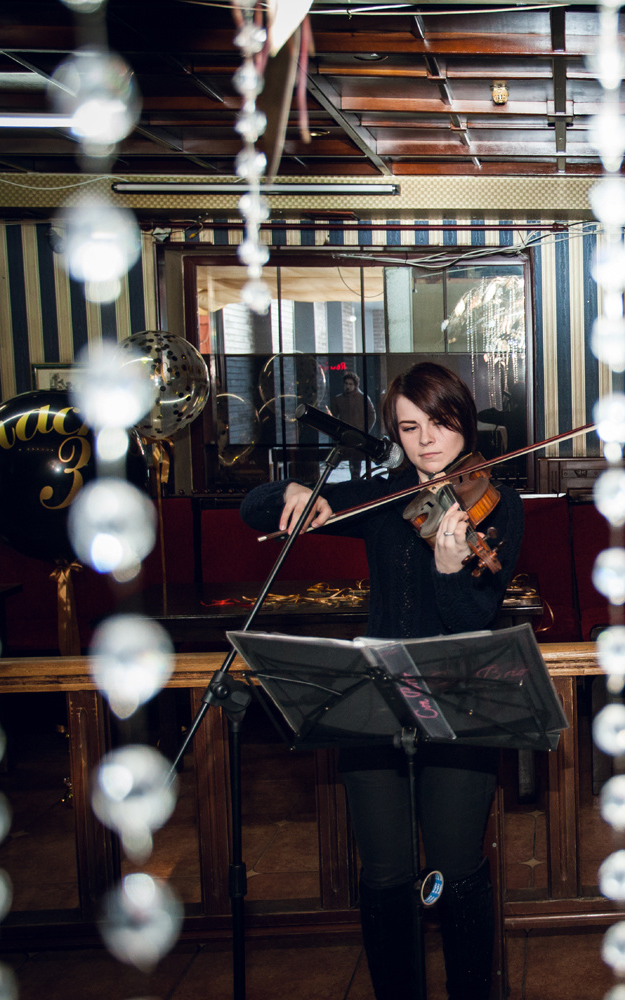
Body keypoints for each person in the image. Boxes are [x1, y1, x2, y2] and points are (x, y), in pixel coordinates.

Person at [240, 362, 523, 1000]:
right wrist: (289, 493)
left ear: (464, 422)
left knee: (455, 865)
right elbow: (254, 510)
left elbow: (473, 619)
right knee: (387, 872)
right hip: (375, 701)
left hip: (459, 701)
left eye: (441, 423)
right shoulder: (382, 493)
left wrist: (451, 571)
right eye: (410, 427)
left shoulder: (497, 505)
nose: (427, 440)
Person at [329, 372, 378, 478]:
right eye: (346, 383)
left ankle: (356, 479)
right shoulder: (339, 399)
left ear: (356, 385)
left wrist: (365, 429)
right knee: (336, 457)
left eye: (350, 384)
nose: (348, 386)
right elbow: (332, 416)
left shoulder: (363, 398)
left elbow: (372, 415)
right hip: (345, 434)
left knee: (356, 460)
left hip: (358, 434)